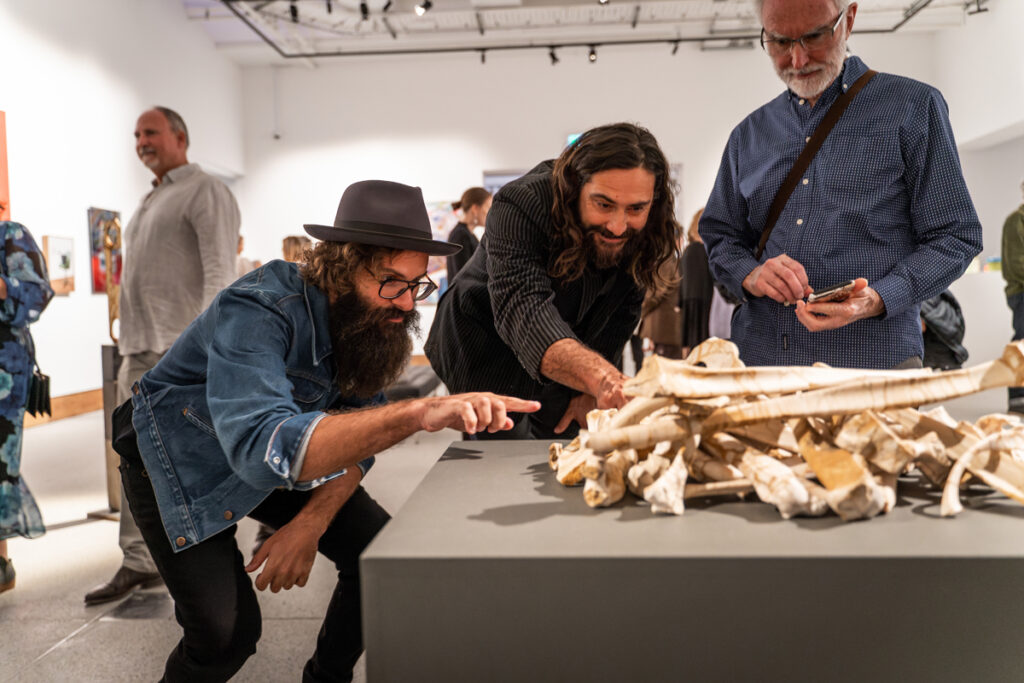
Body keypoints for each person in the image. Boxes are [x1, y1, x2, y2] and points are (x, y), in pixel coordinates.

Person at [112, 179, 538, 681]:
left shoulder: (367, 323)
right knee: (224, 635)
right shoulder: (259, 308)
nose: (406, 303)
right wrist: (418, 413)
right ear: (341, 266)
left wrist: (310, 524)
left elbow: (355, 440)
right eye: (391, 282)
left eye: (416, 284)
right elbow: (260, 446)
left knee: (377, 558)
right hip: (176, 457)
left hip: (271, 451)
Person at [699, 0, 982, 370]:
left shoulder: (913, 108)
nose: (797, 60)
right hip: (764, 364)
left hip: (872, 364)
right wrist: (751, 274)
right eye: (780, 42)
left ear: (848, 20)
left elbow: (956, 236)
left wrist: (877, 298)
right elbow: (721, 237)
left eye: (814, 37)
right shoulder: (748, 135)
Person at [426, 122, 682, 439]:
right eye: (603, 204)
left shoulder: (645, 228)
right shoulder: (520, 203)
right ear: (575, 188)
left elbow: (621, 311)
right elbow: (523, 308)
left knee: (565, 437)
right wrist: (602, 378)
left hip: (570, 341)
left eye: (635, 208)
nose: (618, 226)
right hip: (485, 342)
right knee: (500, 450)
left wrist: (593, 387)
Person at [85, 106, 241, 606]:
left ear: (180, 136)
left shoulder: (205, 190)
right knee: (131, 454)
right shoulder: (151, 198)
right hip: (138, 347)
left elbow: (221, 273)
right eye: (136, 134)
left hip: (177, 349)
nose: (141, 141)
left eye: (150, 132)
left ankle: (199, 559)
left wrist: (206, 347)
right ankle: (138, 560)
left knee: (188, 455)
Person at [0, 220, 53, 595]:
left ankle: (1, 563)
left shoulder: (10, 236)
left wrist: (4, 287)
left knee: (1, 467)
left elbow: (38, 293)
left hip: (4, 371)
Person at [1002, 180, 1024, 412]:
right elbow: (1016, 266)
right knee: (1022, 344)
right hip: (1022, 293)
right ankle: (1018, 397)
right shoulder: (1016, 221)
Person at [445, 187, 492, 282]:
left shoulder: (468, 234)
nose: (490, 213)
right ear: (475, 209)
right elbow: (463, 276)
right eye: (488, 207)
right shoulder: (460, 235)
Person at [919, 290, 967, 371]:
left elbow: (921, 326)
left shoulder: (920, 297)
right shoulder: (939, 289)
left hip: (935, 354)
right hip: (950, 352)